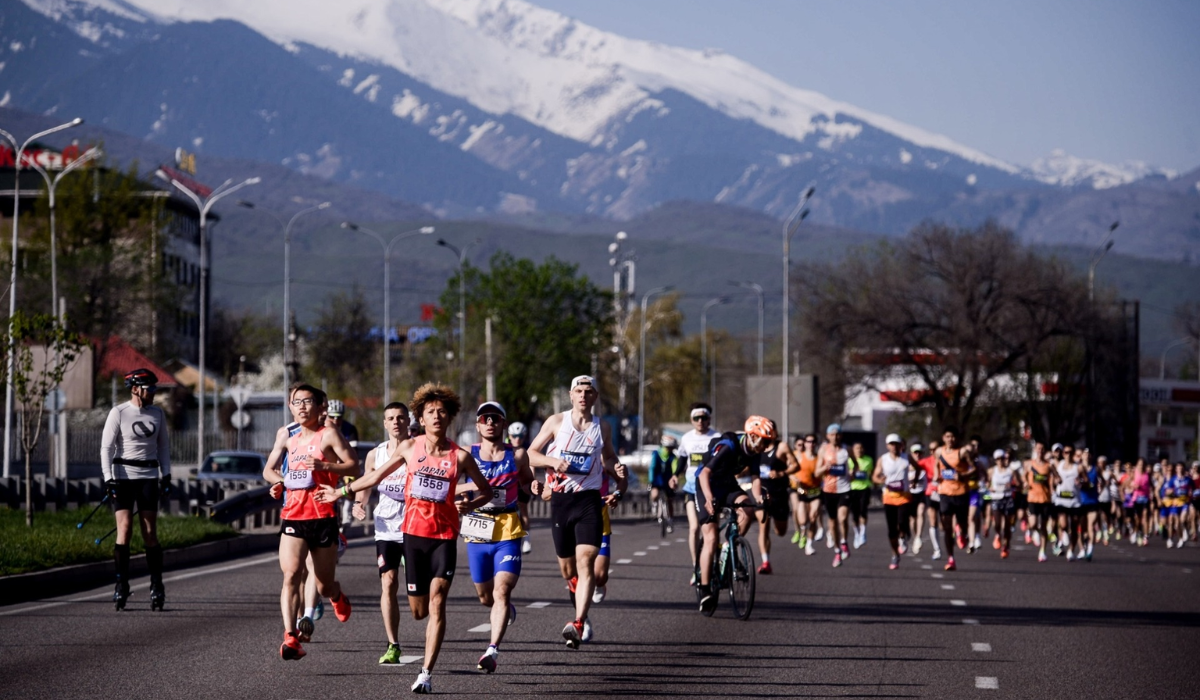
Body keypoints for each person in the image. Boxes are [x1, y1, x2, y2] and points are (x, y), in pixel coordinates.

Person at [318, 382, 493, 694]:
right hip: (411, 535)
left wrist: (471, 504)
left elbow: (487, 491)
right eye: (430, 412)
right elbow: (374, 476)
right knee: (419, 610)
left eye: (442, 412)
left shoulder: (461, 457)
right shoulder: (409, 448)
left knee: (438, 602)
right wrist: (341, 491)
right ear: (421, 419)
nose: (436, 416)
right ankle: (418, 629)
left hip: (444, 537)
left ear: (449, 418)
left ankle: (426, 673)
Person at [527, 375, 627, 649]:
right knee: (568, 569)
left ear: (595, 397)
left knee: (586, 564)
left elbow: (607, 456)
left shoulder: (602, 426)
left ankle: (579, 622)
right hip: (561, 502)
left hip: (588, 502)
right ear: (571, 395)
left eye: (588, 391)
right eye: (578, 391)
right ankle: (576, 594)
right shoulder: (557, 422)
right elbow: (530, 454)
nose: (583, 395)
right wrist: (552, 461)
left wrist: (616, 468)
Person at [262, 384, 358, 661]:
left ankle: (337, 594)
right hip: (292, 515)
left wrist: (326, 467)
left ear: (319, 407)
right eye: (297, 402)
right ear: (290, 407)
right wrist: (279, 483)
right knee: (291, 574)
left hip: (323, 517)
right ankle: (291, 636)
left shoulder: (328, 435)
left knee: (323, 584)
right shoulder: (286, 434)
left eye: (308, 402)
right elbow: (269, 469)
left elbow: (353, 466)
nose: (302, 406)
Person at [460, 401, 532, 673]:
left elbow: (525, 481)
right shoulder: (467, 453)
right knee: (485, 596)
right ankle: (503, 609)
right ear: (478, 425)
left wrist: (532, 485)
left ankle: (492, 649)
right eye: (484, 418)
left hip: (507, 526)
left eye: (495, 418)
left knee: (502, 591)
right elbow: (454, 485)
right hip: (477, 526)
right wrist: (470, 494)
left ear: (503, 424)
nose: (490, 422)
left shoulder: (518, 455)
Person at [101, 368, 172, 611]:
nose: (153, 393)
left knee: (149, 532)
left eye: (155, 388)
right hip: (123, 477)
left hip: (148, 477)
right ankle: (121, 584)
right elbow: (106, 448)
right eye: (149, 388)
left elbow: (163, 447)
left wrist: (167, 474)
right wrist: (108, 478)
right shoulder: (118, 412)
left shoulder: (158, 414)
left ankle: (156, 585)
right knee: (124, 529)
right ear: (135, 389)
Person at [350, 401, 410, 665]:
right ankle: (393, 644)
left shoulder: (418, 449)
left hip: (415, 525)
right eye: (390, 418)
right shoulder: (376, 455)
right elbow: (367, 482)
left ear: (408, 421)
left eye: (400, 417)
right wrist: (359, 503)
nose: (395, 422)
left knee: (422, 592)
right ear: (384, 423)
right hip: (386, 526)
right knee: (388, 583)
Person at [695, 416, 773, 615]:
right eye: (764, 441)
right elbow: (704, 473)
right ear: (752, 436)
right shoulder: (729, 445)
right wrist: (709, 498)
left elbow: (755, 478)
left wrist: (759, 499)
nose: (765, 446)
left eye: (768, 442)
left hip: (727, 484)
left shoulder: (755, 452)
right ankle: (705, 590)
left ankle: (731, 545)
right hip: (707, 485)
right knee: (711, 538)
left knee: (747, 510)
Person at [678, 403, 720, 583]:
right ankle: (697, 567)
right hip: (691, 488)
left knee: (711, 530)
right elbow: (682, 459)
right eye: (697, 418)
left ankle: (712, 562)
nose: (700, 421)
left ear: (709, 419)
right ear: (691, 420)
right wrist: (674, 475)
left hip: (711, 489)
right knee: (694, 528)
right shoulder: (686, 438)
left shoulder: (717, 437)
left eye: (704, 418)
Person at [934, 426, 975, 572]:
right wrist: (936, 476)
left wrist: (963, 476)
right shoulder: (939, 451)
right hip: (945, 492)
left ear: (956, 438)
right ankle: (950, 558)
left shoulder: (963, 452)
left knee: (962, 522)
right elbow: (936, 466)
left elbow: (973, 468)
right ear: (943, 438)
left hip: (961, 492)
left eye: (952, 437)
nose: (950, 439)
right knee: (946, 527)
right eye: (947, 436)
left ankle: (961, 531)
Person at [755, 421, 795, 574]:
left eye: (772, 430)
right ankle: (766, 562)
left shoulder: (782, 447)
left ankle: (777, 523)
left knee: (780, 531)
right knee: (763, 527)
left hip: (779, 494)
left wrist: (781, 473)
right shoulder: (758, 448)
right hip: (762, 494)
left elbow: (795, 465)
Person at [873, 433, 913, 570]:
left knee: (902, 522)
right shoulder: (883, 459)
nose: (894, 446)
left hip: (904, 496)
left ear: (900, 445)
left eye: (896, 443)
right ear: (887, 446)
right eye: (891, 444)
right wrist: (880, 480)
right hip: (889, 497)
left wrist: (912, 482)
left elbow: (918, 469)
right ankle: (895, 555)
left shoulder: (907, 458)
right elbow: (875, 477)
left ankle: (904, 537)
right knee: (891, 530)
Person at [815, 423, 853, 567]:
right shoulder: (823, 450)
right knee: (832, 522)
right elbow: (816, 472)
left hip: (844, 488)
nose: (835, 437)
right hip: (829, 490)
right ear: (827, 436)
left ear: (841, 436)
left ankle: (844, 542)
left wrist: (853, 472)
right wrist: (825, 467)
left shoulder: (846, 449)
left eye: (837, 434)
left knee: (842, 518)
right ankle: (837, 551)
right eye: (832, 434)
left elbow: (854, 464)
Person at [789, 434, 822, 555]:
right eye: (808, 442)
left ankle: (809, 544)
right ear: (805, 443)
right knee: (803, 520)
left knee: (813, 517)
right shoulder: (799, 457)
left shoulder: (819, 458)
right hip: (802, 492)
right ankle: (802, 531)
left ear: (816, 444)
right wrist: (794, 479)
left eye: (813, 442)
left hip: (816, 491)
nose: (810, 444)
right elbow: (790, 472)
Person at [987, 449, 1022, 559]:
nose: (1000, 461)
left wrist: (1012, 485)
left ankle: (1005, 546)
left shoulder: (1011, 471)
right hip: (996, 498)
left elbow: (1019, 484)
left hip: (1008, 498)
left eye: (1002, 458)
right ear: (995, 460)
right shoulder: (992, 471)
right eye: (998, 459)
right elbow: (987, 483)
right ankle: (998, 534)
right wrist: (990, 488)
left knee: (1007, 525)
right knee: (997, 523)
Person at [507, 421, 534, 554]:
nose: (517, 439)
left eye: (520, 436)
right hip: (508, 483)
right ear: (509, 436)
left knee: (523, 510)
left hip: (522, 483)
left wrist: (531, 484)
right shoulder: (504, 447)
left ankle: (527, 540)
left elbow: (532, 467)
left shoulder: (528, 448)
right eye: (514, 436)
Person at [648, 434, 681, 531]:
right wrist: (651, 480)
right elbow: (652, 468)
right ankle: (654, 505)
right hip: (657, 479)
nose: (669, 449)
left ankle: (670, 519)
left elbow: (675, 468)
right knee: (655, 494)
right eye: (668, 447)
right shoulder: (656, 454)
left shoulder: (673, 457)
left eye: (671, 447)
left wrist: (675, 478)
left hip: (668, 479)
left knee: (669, 500)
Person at [919, 439, 943, 560]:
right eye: (931, 449)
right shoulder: (927, 461)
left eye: (935, 449)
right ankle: (937, 549)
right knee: (932, 520)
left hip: (945, 492)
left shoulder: (947, 459)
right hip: (931, 493)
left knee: (945, 522)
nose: (933, 451)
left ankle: (955, 535)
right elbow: (914, 466)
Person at [848, 442, 874, 549]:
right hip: (853, 489)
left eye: (861, 448)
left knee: (863, 510)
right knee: (855, 513)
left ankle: (863, 533)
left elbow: (870, 474)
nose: (859, 450)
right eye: (857, 448)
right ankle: (856, 533)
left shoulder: (869, 460)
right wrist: (851, 474)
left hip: (865, 488)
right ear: (853, 450)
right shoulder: (849, 461)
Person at [906, 443, 929, 554]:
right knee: (912, 520)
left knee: (921, 513)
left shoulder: (926, 466)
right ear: (912, 454)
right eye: (916, 452)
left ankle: (919, 536)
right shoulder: (907, 467)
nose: (918, 455)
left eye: (920, 452)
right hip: (910, 495)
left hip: (922, 493)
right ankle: (916, 537)